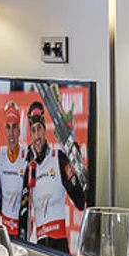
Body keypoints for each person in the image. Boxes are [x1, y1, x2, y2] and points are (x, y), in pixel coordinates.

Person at [17, 99, 93, 246]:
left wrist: (76, 166)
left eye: (39, 128)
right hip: (40, 245)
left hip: (59, 243)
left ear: (45, 129)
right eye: (33, 130)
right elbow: (23, 213)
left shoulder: (58, 158)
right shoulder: (30, 168)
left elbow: (80, 201)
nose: (37, 136)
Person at [0, 101, 28, 237]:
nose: (11, 133)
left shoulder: (27, 155)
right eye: (8, 128)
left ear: (19, 131)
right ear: (4, 130)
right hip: (4, 226)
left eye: (14, 127)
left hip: (22, 227)